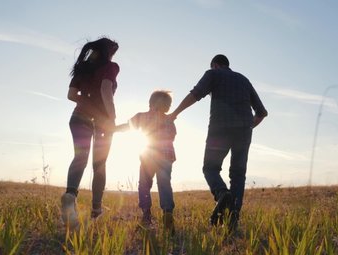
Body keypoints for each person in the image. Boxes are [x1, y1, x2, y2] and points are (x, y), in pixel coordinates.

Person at [169, 54, 268, 231]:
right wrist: (247, 127)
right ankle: (233, 218)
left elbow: (195, 94)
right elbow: (261, 113)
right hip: (244, 130)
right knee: (238, 174)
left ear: (215, 65)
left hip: (219, 129)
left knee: (210, 168)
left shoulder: (213, 74)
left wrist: (175, 113)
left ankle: (222, 193)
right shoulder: (244, 80)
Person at [61, 37, 120, 229]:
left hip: (78, 117)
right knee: (99, 165)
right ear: (108, 51)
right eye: (113, 52)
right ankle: (96, 210)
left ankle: (70, 195)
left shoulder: (83, 67)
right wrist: (111, 118)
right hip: (103, 122)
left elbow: (71, 95)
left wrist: (86, 102)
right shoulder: (111, 67)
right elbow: (106, 91)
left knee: (80, 157)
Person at [115, 90, 176, 234]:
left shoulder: (141, 116)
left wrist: (112, 129)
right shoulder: (169, 119)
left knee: (144, 185)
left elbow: (127, 127)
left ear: (150, 103)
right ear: (167, 106)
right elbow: (173, 136)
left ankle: (146, 214)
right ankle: (167, 212)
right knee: (165, 185)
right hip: (166, 156)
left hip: (148, 155)